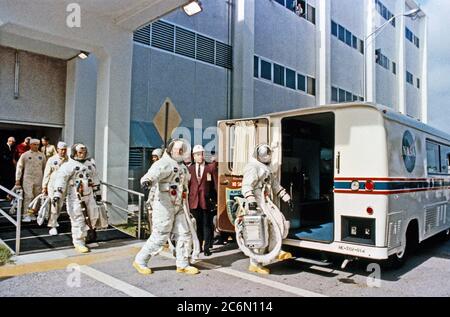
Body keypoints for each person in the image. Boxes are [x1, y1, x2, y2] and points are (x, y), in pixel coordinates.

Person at [133, 139, 199, 275]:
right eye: (178, 149)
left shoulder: (182, 166)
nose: (181, 152)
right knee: (161, 234)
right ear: (170, 150)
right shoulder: (163, 163)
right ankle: (140, 261)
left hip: (179, 204)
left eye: (182, 149)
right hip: (164, 204)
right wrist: (147, 181)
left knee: (184, 233)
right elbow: (152, 175)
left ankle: (182, 263)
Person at [241, 143, 293, 274]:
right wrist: (251, 201)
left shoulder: (266, 169)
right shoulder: (253, 167)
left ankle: (275, 251)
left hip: (266, 202)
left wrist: (286, 197)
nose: (267, 157)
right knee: (259, 233)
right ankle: (255, 263)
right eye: (265, 154)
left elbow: (275, 185)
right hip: (256, 203)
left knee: (278, 223)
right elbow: (246, 186)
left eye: (269, 154)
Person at [52, 144, 105, 253]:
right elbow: (61, 180)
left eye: (84, 152)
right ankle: (78, 241)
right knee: (78, 218)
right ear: (74, 153)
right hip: (75, 196)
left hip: (89, 195)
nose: (82, 154)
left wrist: (98, 193)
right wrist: (57, 194)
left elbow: (95, 178)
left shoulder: (89, 164)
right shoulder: (68, 166)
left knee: (93, 216)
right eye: (80, 152)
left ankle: (88, 236)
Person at [188, 145, 218, 256]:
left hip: (206, 201)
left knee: (207, 225)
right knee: (196, 226)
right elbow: (188, 186)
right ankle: (198, 246)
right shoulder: (190, 169)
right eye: (197, 155)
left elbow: (215, 185)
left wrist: (215, 200)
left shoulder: (210, 168)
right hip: (194, 201)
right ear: (194, 156)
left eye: (201, 154)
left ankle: (207, 248)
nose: (200, 156)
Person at [14, 139, 46, 222]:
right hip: (28, 178)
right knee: (29, 196)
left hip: (39, 179)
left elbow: (45, 169)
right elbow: (19, 167)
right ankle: (26, 215)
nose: (36, 146)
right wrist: (17, 179)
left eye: (37, 145)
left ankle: (31, 213)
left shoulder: (42, 156)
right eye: (34, 144)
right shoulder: (25, 155)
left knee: (36, 197)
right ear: (30, 145)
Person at [42, 142, 69, 235]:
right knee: (54, 203)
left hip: (63, 185)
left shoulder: (68, 160)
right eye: (61, 149)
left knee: (59, 205)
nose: (63, 151)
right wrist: (44, 186)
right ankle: (52, 225)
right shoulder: (51, 159)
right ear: (57, 149)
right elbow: (47, 173)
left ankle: (54, 220)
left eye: (65, 149)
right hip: (52, 185)